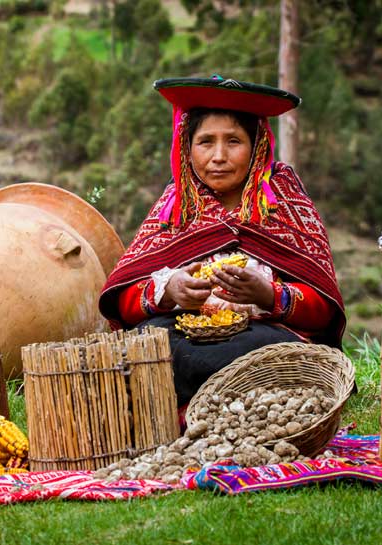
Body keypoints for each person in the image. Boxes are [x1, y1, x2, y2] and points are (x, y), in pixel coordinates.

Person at [99, 76, 346, 409]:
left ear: (257, 145)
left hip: (265, 337)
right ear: (186, 147)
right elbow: (125, 300)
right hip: (185, 331)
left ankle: (202, 415)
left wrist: (270, 294)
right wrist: (169, 290)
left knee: (253, 358)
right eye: (205, 142)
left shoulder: (285, 201)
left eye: (233, 141)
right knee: (146, 346)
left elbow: (324, 313)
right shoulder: (176, 206)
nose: (218, 156)